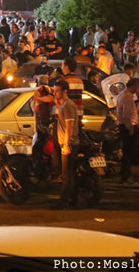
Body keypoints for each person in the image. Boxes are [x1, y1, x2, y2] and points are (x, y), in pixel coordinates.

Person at [54, 80, 79, 209]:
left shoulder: (68, 105)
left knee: (67, 175)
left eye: (57, 91)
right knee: (69, 174)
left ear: (65, 92)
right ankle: (72, 201)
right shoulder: (64, 105)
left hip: (69, 144)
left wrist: (67, 144)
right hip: (66, 143)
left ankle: (64, 201)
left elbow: (69, 125)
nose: (55, 93)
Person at [116, 78, 139, 185]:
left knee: (128, 153)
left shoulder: (123, 94)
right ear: (134, 86)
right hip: (127, 127)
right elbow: (126, 115)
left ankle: (125, 175)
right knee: (128, 153)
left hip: (125, 126)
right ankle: (126, 176)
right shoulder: (127, 96)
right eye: (137, 86)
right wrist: (130, 127)